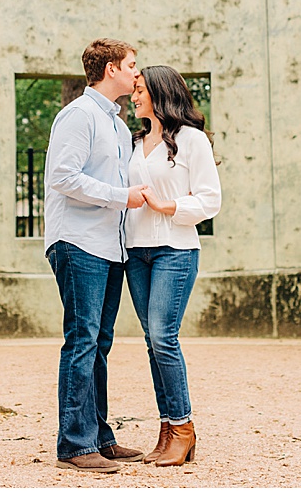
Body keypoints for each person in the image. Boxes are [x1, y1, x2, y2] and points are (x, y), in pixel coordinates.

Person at [44, 38, 147, 473]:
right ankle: (73, 443)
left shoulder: (120, 127)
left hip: (110, 246)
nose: (136, 74)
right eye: (131, 66)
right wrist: (121, 196)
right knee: (83, 340)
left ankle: (100, 437)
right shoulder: (78, 115)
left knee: (100, 344)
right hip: (78, 242)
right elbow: (64, 177)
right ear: (109, 70)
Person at [125, 65, 221, 466]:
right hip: (136, 253)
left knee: (164, 338)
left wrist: (171, 206)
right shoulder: (133, 141)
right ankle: (167, 432)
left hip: (174, 250)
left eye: (140, 90)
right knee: (152, 342)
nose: (133, 96)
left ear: (161, 93)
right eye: (133, 89)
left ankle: (183, 428)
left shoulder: (191, 140)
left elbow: (211, 199)